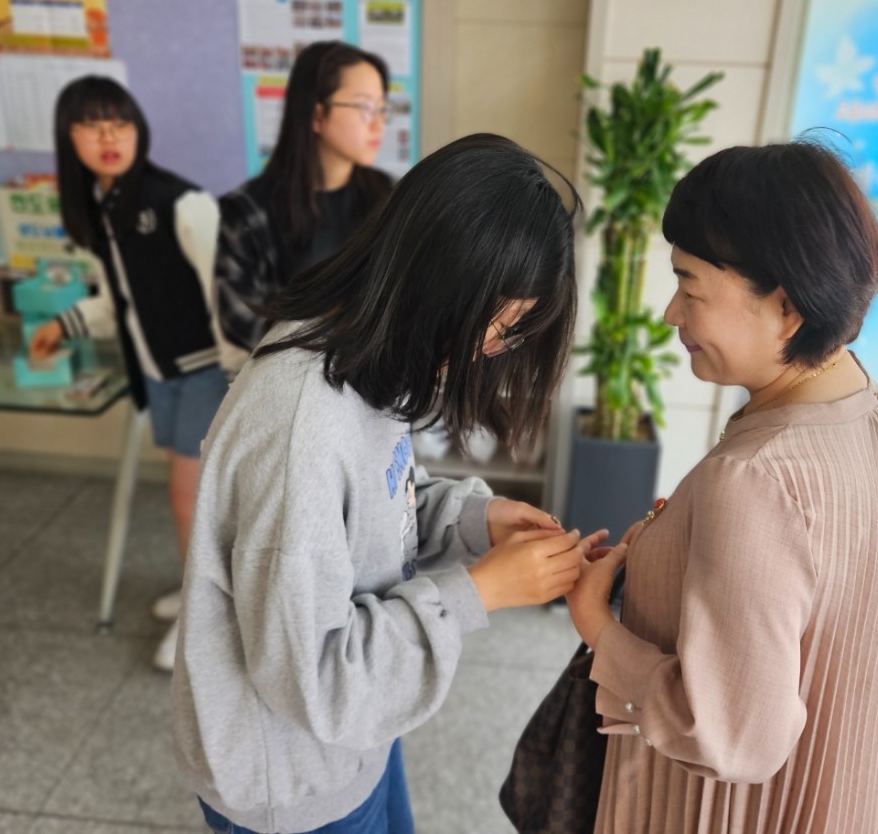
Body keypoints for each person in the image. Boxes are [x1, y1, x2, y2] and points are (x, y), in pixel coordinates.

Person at [173, 134, 605, 834]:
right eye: (498, 326)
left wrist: (477, 519)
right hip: (292, 780)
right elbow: (312, 678)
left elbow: (377, 501)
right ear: (441, 284)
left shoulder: (356, 349)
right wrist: (479, 592)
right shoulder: (300, 428)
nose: (491, 350)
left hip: (353, 739)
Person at [565, 140, 878, 833]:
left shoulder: (753, 477)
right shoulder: (874, 413)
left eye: (691, 288)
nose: (671, 313)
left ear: (787, 305)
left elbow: (733, 735)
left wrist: (596, 622)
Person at [28, 76, 225, 672]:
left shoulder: (181, 202)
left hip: (207, 372)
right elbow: (123, 300)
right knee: (188, 499)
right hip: (158, 375)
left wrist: (245, 376)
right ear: (68, 137)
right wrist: (65, 324)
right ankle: (201, 591)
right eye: (92, 126)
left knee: (192, 500)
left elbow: (228, 296)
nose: (109, 138)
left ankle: (207, 620)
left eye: (120, 124)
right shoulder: (101, 207)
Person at [215, 40, 393, 372]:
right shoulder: (247, 211)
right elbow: (239, 319)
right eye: (365, 107)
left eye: (382, 108)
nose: (378, 123)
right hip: (293, 381)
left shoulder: (388, 194)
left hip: (376, 378)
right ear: (316, 114)